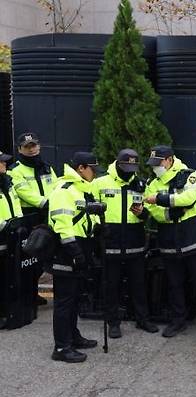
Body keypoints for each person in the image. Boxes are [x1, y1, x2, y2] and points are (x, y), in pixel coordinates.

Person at [143, 145, 196, 338]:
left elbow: (189, 198)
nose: (155, 167)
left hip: (191, 237)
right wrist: (171, 209)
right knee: (174, 283)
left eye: (158, 163)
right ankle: (178, 320)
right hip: (169, 239)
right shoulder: (152, 182)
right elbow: (153, 211)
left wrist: (161, 199)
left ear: (169, 160)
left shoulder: (189, 174)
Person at [93, 149, 159, 339]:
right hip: (110, 241)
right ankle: (113, 322)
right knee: (110, 285)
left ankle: (142, 319)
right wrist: (99, 229)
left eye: (133, 167)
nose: (129, 171)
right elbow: (91, 209)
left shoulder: (140, 183)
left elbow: (150, 213)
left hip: (134, 242)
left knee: (138, 284)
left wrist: (143, 214)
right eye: (126, 167)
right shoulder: (100, 183)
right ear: (118, 164)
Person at [48, 152, 101, 363]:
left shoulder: (81, 190)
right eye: (93, 169)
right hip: (66, 251)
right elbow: (62, 225)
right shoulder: (64, 190)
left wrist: (98, 228)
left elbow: (84, 220)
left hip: (80, 249)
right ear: (81, 168)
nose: (95, 173)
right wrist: (75, 252)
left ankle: (72, 336)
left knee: (75, 299)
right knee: (64, 301)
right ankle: (61, 347)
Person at [8, 132, 58, 306]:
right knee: (27, 258)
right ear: (20, 149)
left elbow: (56, 186)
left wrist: (55, 202)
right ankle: (27, 294)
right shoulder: (15, 170)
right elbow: (24, 192)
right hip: (29, 216)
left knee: (43, 257)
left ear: (39, 146)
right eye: (27, 147)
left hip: (47, 214)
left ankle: (33, 292)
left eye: (33, 146)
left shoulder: (46, 167)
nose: (31, 149)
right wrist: (46, 202)